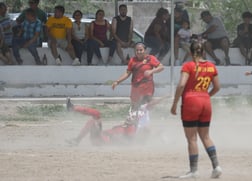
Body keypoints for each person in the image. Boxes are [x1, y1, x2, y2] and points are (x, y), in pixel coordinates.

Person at [170, 41, 222, 179]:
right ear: (203, 51)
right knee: (205, 136)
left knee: (192, 139)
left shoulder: (188, 66)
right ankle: (216, 166)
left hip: (191, 102)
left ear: (191, 52)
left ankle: (194, 171)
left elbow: (181, 85)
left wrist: (174, 104)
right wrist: (205, 96)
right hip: (206, 101)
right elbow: (217, 87)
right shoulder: (211, 66)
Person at [65, 97, 166, 146]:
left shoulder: (135, 126)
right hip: (100, 138)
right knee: (93, 119)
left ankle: (73, 108)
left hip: (103, 141)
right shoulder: (133, 117)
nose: (129, 118)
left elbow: (130, 140)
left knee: (96, 114)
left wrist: (165, 97)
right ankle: (76, 140)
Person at [111, 42, 164, 111]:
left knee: (145, 107)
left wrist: (151, 71)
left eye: (141, 50)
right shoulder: (132, 60)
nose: (139, 52)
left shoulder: (150, 58)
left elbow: (161, 67)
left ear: (145, 50)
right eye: (137, 50)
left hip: (147, 87)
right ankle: (135, 120)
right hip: (135, 87)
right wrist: (117, 81)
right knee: (135, 108)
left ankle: (146, 120)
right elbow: (127, 73)